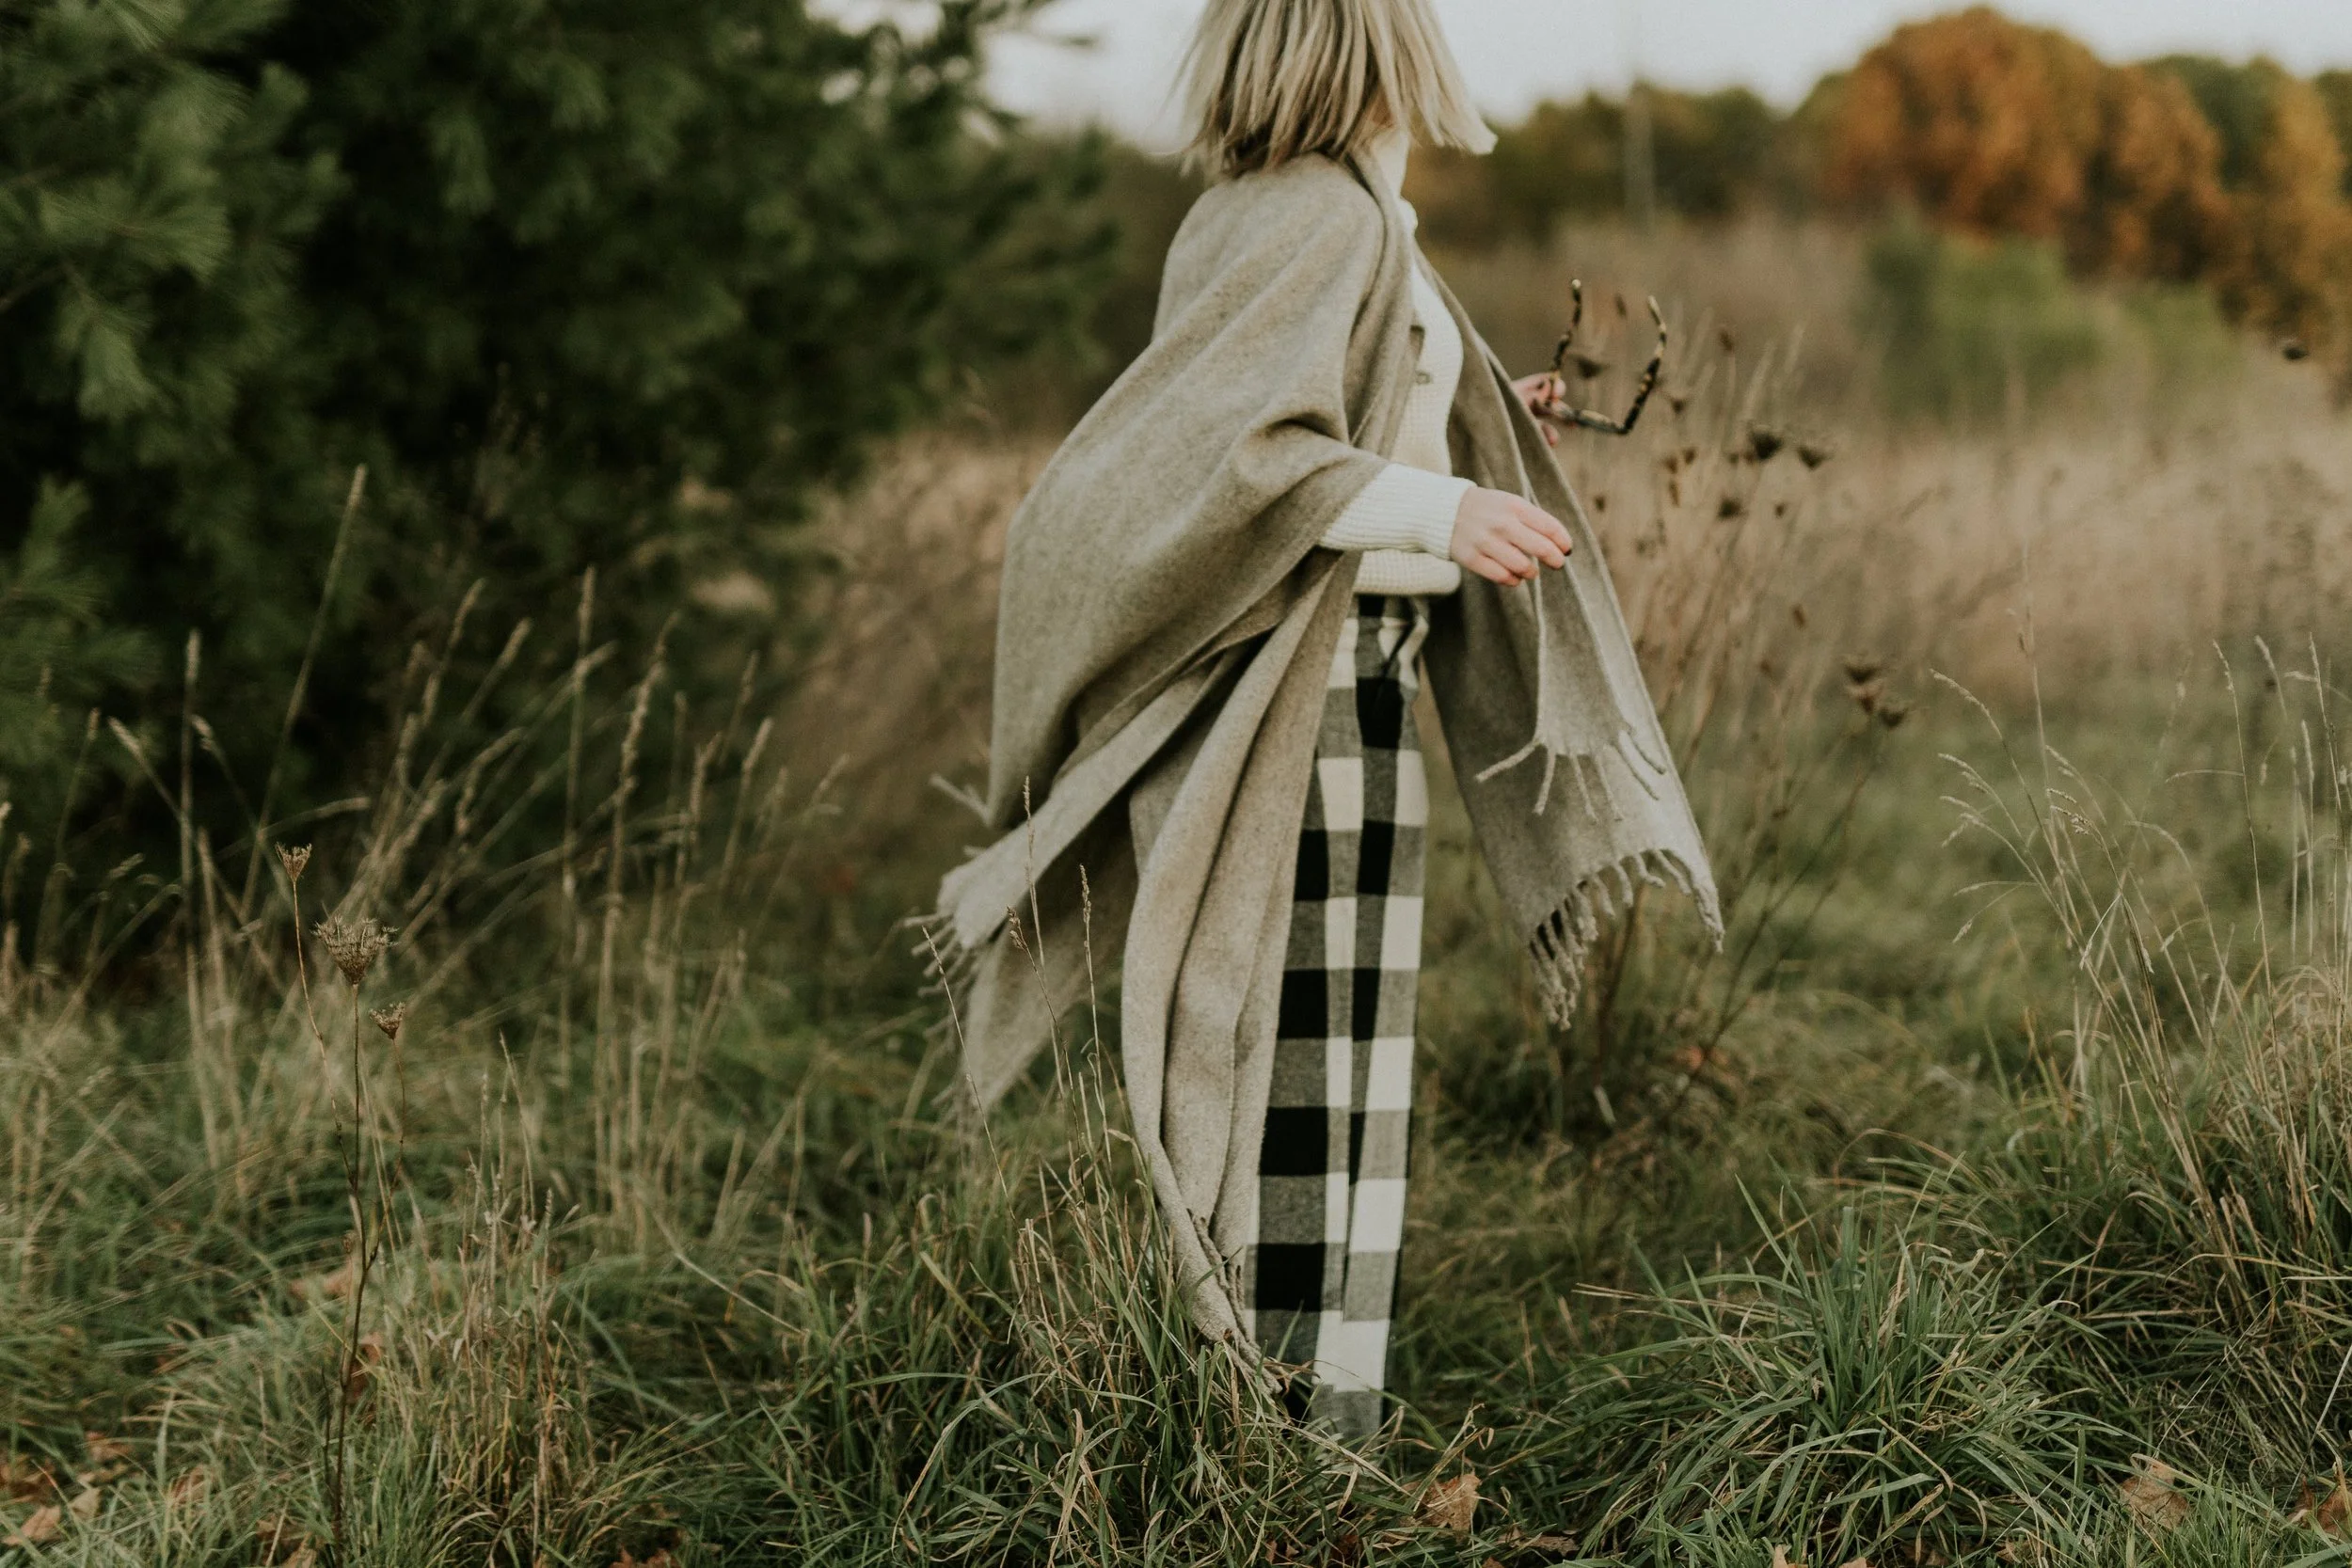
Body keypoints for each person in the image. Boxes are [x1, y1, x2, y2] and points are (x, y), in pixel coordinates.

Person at [932, 0, 1720, 1439]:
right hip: (1310, 704)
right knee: (1304, 1068)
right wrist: (1451, 501)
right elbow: (1249, 459)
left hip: (1345, 692)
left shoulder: (1264, 214)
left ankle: (1288, 1422)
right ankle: (1288, 1436)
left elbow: (1315, 419)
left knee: (1326, 1064)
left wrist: (1464, 424)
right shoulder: (1319, 218)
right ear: (1381, 53)